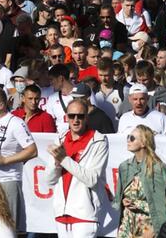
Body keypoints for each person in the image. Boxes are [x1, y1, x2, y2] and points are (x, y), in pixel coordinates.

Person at [45, 98, 109, 238]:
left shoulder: (99, 140)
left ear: (86, 117)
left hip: (85, 215)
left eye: (80, 116)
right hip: (62, 214)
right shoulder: (61, 138)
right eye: (71, 116)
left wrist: (63, 159)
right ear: (66, 117)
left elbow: (92, 179)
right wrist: (56, 164)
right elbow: (48, 181)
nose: (75, 120)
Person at [0, 87, 37, 227]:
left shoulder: (16, 123)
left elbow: (32, 150)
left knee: (7, 227)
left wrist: (5, 160)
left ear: (1, 105)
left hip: (8, 181)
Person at [115, 125, 166, 238]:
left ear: (143, 143)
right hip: (127, 225)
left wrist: (157, 229)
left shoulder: (158, 169)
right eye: (128, 137)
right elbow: (120, 197)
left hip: (149, 226)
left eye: (132, 138)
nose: (128, 140)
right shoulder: (124, 167)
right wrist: (124, 201)